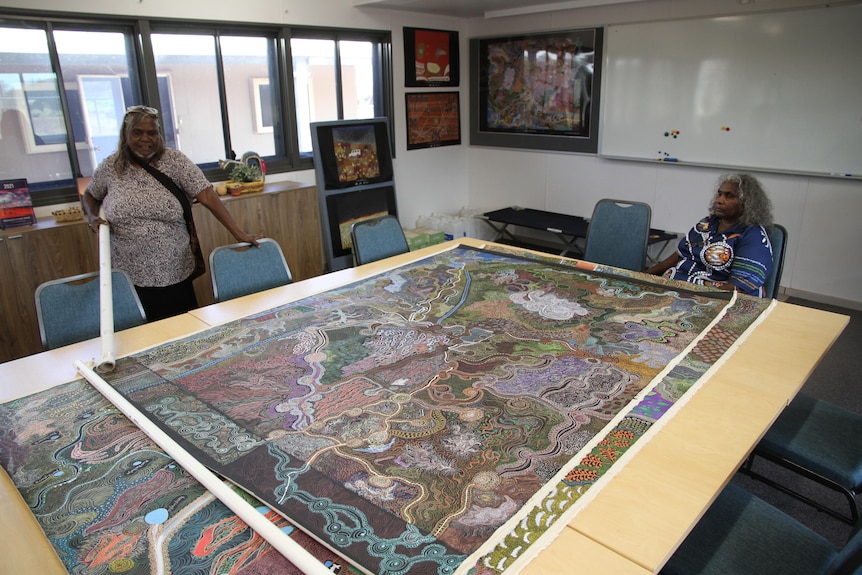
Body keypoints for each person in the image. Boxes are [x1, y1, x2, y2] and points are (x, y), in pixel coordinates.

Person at [82, 105, 260, 321]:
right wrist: (93, 218)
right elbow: (90, 195)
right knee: (138, 336)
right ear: (125, 135)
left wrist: (239, 233)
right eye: (137, 132)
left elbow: (208, 197)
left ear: (159, 135)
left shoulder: (175, 161)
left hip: (172, 271)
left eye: (152, 133)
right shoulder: (111, 166)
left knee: (179, 332)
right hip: (127, 274)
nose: (145, 138)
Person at [646, 173, 774, 297]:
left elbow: (737, 287)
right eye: (720, 194)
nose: (719, 200)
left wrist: (695, 299)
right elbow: (681, 254)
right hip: (679, 285)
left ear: (746, 203)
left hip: (713, 295)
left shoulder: (753, 235)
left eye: (729, 196)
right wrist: (646, 275)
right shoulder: (707, 223)